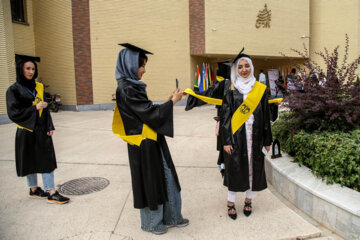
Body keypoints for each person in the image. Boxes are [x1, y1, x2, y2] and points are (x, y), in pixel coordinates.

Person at [112, 43, 189, 235]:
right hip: (142, 143)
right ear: (130, 64)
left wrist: (167, 100)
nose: (144, 70)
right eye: (142, 65)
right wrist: (172, 102)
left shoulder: (132, 86)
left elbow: (146, 110)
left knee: (166, 175)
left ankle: (172, 217)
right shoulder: (127, 88)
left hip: (151, 139)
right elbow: (148, 113)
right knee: (150, 181)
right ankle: (153, 223)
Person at [6, 54, 69, 204]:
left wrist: (49, 126)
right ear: (20, 69)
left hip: (41, 129)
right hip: (26, 130)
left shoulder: (39, 86)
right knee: (29, 160)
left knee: (46, 159)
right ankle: (33, 189)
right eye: (27, 68)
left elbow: (45, 109)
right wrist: (34, 108)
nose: (31, 72)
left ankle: (51, 191)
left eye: (33, 69)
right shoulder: (13, 90)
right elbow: (13, 113)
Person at [221, 49, 272, 219]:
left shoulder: (260, 89)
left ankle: (248, 201)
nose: (244, 69)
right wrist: (226, 140)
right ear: (236, 69)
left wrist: (267, 139)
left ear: (251, 67)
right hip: (237, 136)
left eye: (247, 66)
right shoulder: (231, 88)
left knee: (253, 168)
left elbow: (265, 116)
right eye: (240, 67)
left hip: (255, 136)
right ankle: (230, 203)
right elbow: (226, 117)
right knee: (235, 169)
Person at [185, 61, 231, 177]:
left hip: (224, 117)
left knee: (224, 142)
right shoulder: (229, 83)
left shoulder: (222, 84)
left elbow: (208, 94)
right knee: (228, 142)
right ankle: (225, 167)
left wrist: (193, 95)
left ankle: (224, 166)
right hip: (229, 118)